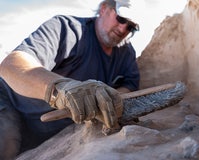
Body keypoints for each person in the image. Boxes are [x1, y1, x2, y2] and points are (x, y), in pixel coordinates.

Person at [0, 0, 140, 159]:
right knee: (6, 143)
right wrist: (62, 88)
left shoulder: (126, 53)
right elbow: (11, 65)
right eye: (121, 19)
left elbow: (130, 84)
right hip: (10, 105)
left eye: (130, 26)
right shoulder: (66, 29)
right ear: (104, 9)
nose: (123, 29)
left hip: (46, 132)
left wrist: (108, 98)